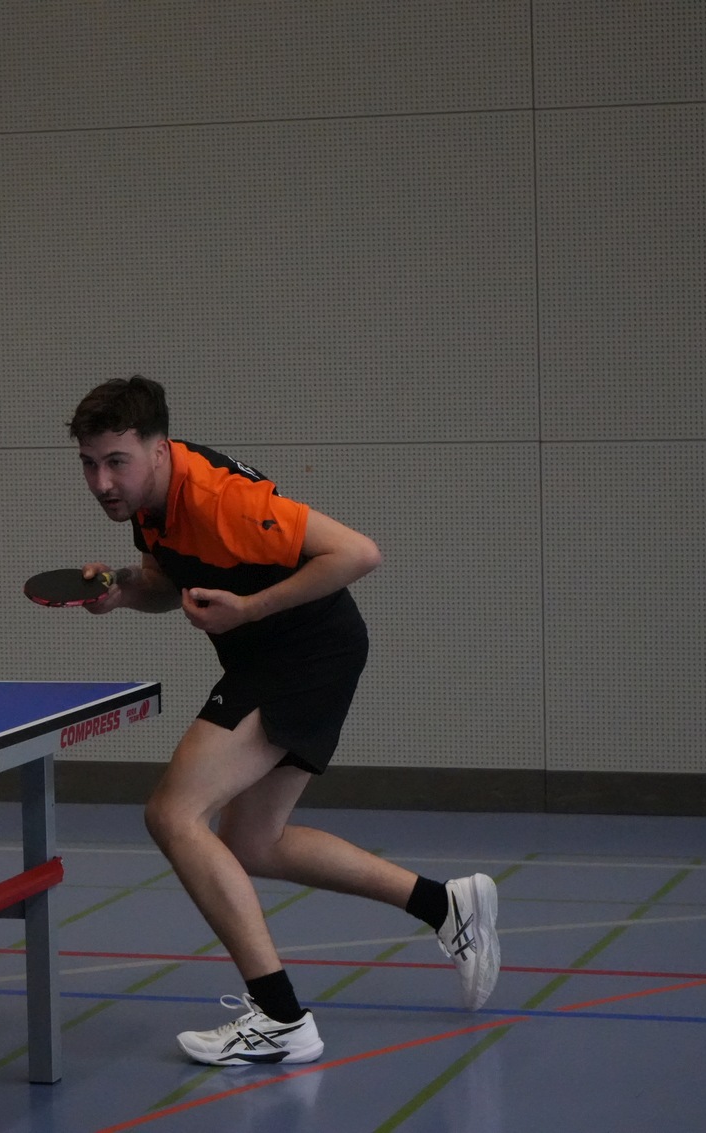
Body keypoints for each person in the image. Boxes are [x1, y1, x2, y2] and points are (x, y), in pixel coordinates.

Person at [67, 375, 499, 1066]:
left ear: (159, 449)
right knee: (252, 841)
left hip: (302, 651)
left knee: (173, 814)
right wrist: (121, 591)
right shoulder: (150, 505)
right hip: (278, 652)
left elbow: (358, 552)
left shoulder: (223, 499)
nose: (101, 482)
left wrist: (250, 609)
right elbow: (166, 581)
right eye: (90, 464)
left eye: (116, 461)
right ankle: (444, 905)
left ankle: (280, 1015)